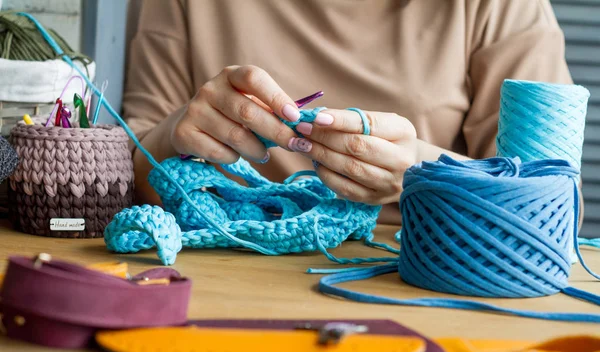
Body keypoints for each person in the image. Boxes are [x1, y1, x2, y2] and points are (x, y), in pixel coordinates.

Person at [123, 0, 571, 224]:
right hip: (217, 271)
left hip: (424, 280)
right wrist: (176, 135)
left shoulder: (502, 8)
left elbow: (555, 207)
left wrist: (425, 174)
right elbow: (122, 177)